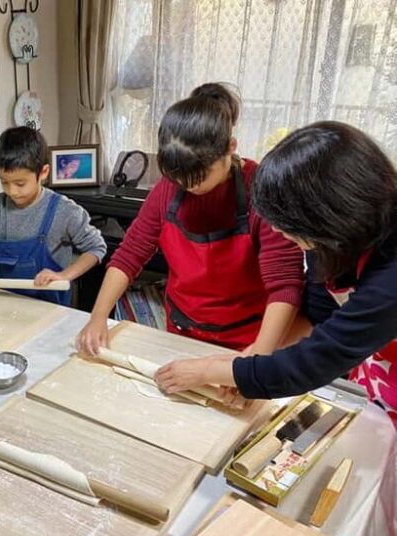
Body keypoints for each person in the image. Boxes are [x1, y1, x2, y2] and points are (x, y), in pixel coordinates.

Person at [156, 121, 397, 426]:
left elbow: (320, 357)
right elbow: (317, 315)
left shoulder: (390, 276)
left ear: (331, 212)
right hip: (379, 379)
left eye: (288, 223)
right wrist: (249, 362)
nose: (279, 231)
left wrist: (209, 371)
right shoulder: (334, 242)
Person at [77, 83, 304, 355]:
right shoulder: (168, 188)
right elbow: (130, 255)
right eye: (179, 178)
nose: (189, 186)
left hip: (250, 339)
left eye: (200, 176)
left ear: (231, 147)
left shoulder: (262, 192)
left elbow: (285, 285)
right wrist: (98, 317)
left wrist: (258, 357)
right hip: (182, 332)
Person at [0, 126, 107, 306]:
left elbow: (96, 248)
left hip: (50, 308)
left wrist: (63, 276)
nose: (12, 192)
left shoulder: (64, 211)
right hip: (5, 304)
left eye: (20, 183)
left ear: (43, 172)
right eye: (4, 182)